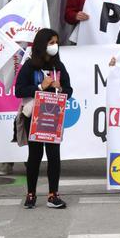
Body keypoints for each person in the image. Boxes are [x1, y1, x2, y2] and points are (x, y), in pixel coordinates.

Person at [15, 28, 72, 209]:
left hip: (53, 116)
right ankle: (31, 194)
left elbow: (69, 89)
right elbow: (19, 90)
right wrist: (40, 86)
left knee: (54, 156)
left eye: (56, 42)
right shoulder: (30, 66)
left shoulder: (59, 66)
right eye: (51, 43)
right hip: (35, 117)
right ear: (42, 45)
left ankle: (53, 194)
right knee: (35, 156)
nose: (54, 46)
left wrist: (61, 90)